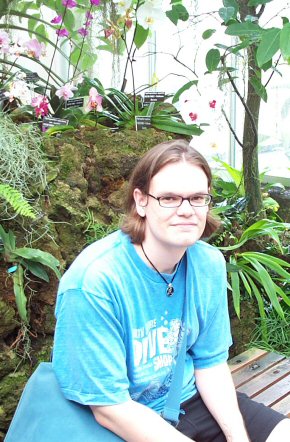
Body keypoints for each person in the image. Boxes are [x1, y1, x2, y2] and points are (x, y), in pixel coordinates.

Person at [52, 139, 290, 442]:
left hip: (190, 398)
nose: (186, 210)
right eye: (169, 198)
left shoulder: (208, 263)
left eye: (197, 197)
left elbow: (209, 362)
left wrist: (237, 437)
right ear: (141, 201)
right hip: (125, 419)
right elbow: (109, 407)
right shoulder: (94, 283)